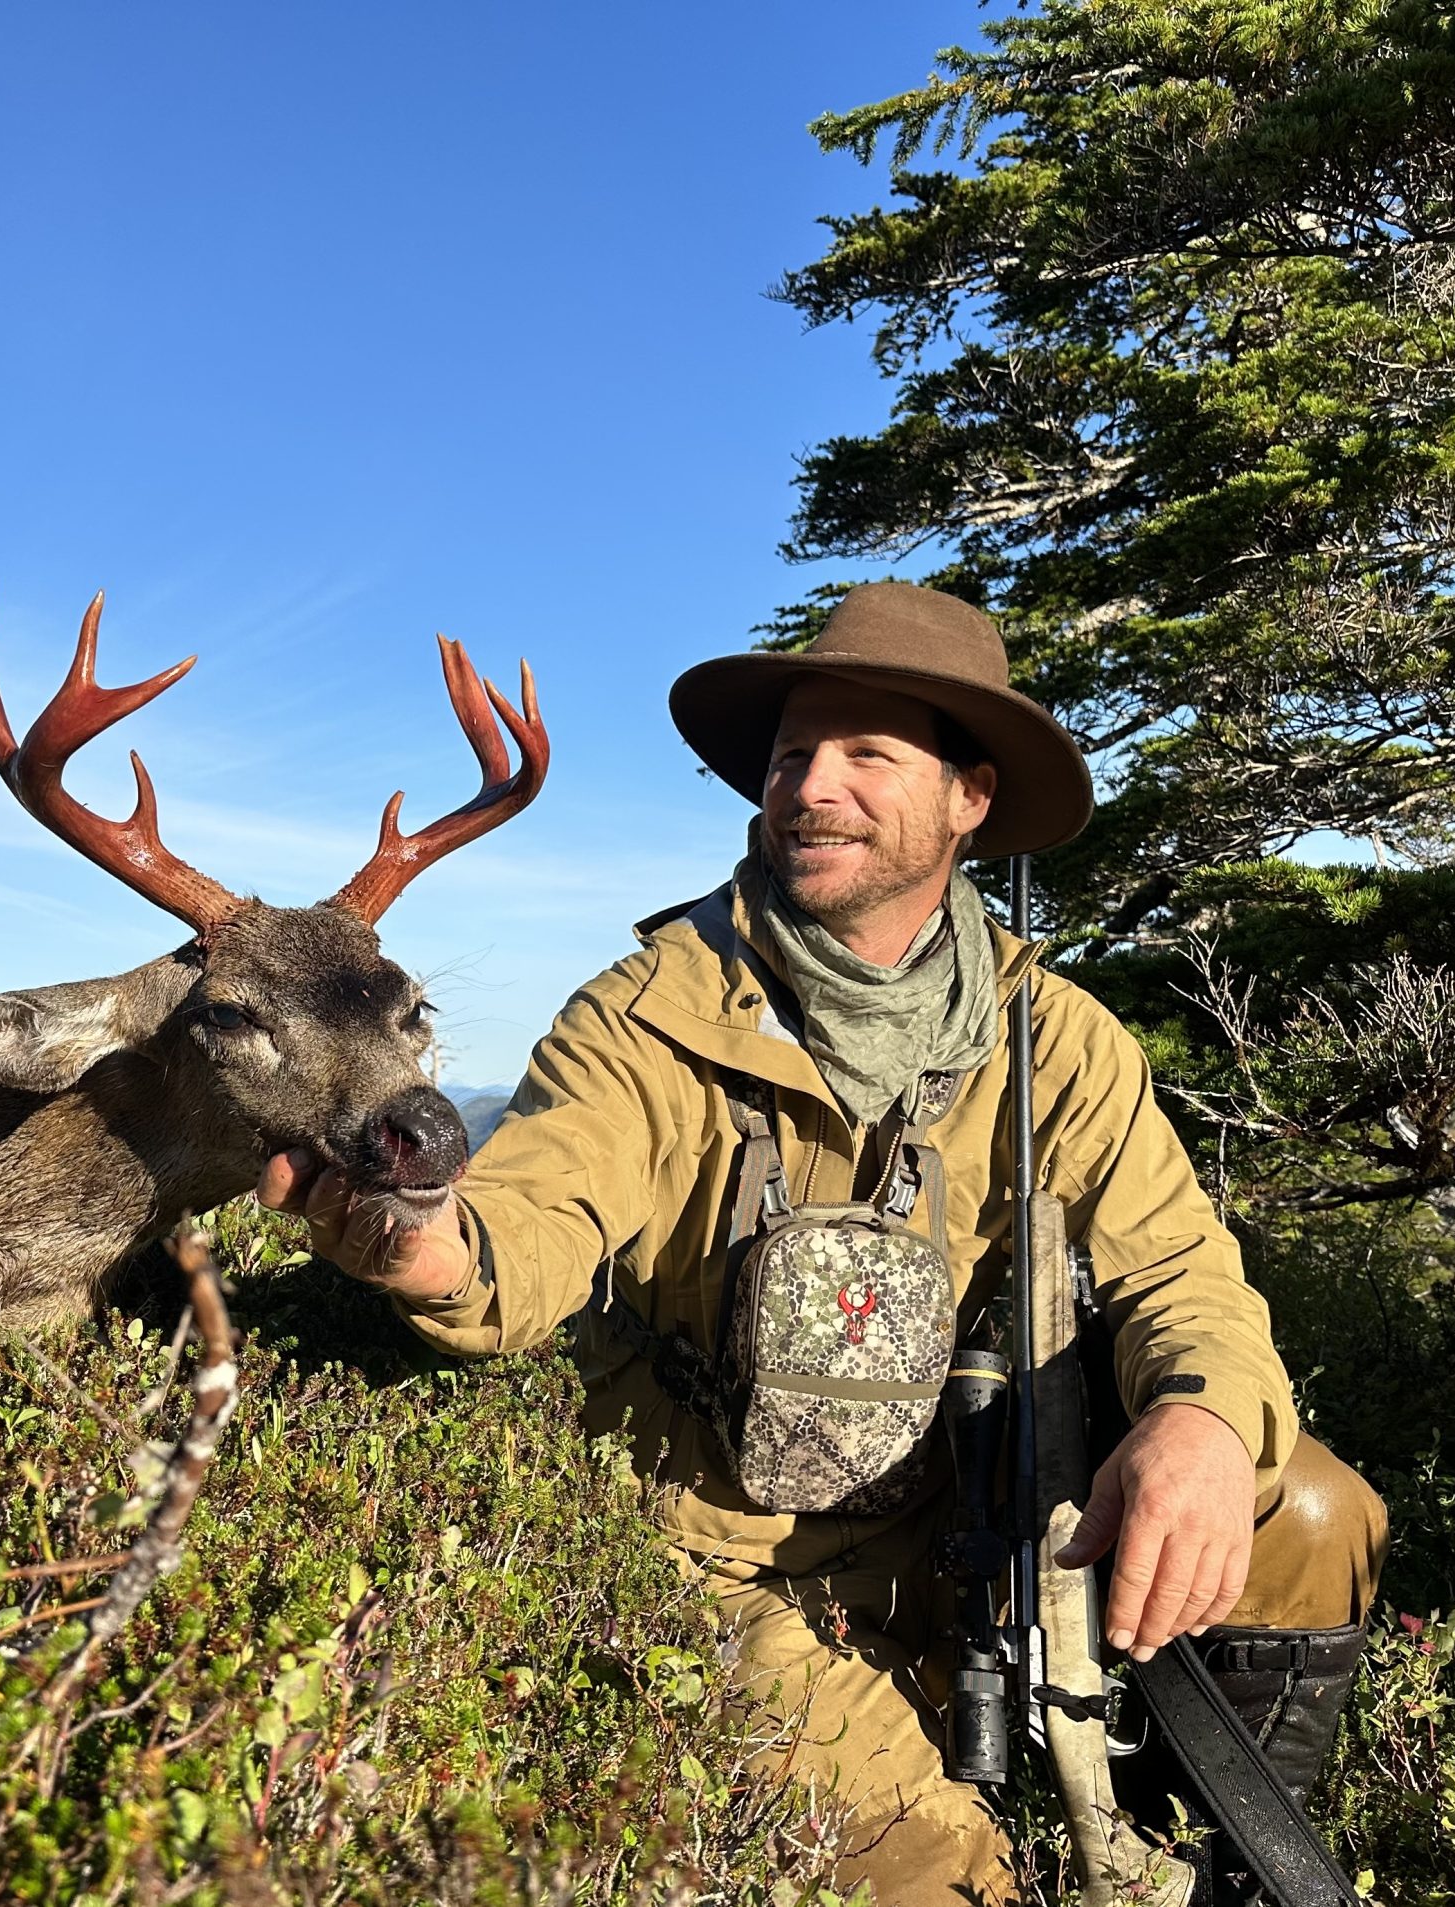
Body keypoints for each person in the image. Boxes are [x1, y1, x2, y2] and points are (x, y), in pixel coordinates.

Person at [260, 582, 1386, 1904]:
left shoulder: (1054, 1036)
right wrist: (436, 1251)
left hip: (977, 1512)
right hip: (721, 1567)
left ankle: (1197, 1854)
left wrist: (1199, 1423)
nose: (809, 787)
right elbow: (540, 1210)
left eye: (866, 755)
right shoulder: (645, 1017)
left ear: (970, 799)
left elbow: (1179, 1271)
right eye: (793, 755)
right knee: (949, 1886)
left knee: (1311, 1513)